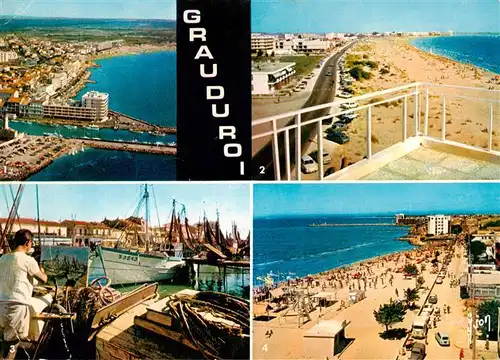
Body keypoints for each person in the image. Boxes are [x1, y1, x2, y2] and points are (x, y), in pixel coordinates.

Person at [0, 229, 48, 360]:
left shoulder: (2, 259)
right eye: (31, 243)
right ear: (27, 242)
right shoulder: (28, 260)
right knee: (13, 343)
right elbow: (44, 279)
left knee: (6, 340)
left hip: (1, 306)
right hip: (17, 307)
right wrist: (42, 271)